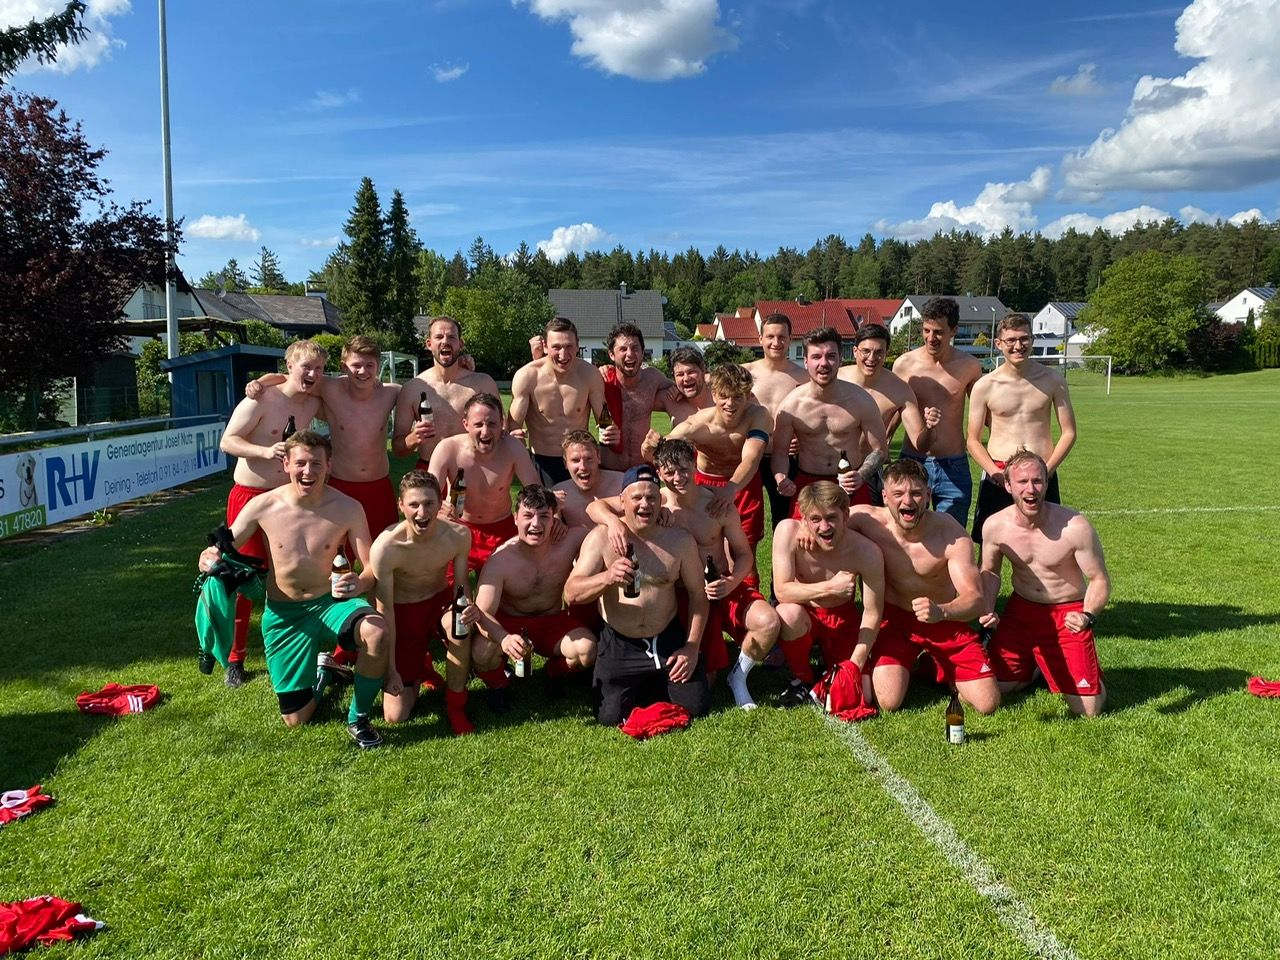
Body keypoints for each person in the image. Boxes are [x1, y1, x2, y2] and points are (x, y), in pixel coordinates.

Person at [197, 431, 389, 748]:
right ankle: (324, 672)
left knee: (377, 632)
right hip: (284, 614)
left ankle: (359, 719)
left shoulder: (348, 507)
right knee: (296, 719)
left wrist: (360, 581)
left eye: (316, 463)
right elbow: (225, 545)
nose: (308, 471)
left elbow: (370, 568)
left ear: (329, 466)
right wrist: (208, 556)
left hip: (331, 604)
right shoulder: (262, 505)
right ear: (286, 464)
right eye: (300, 463)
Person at [847, 459, 999, 714]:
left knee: (987, 704)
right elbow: (824, 521)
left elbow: (975, 599)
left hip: (943, 621)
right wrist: (804, 530)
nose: (908, 501)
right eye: (898, 494)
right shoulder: (866, 520)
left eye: (916, 493)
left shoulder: (950, 534)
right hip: (894, 622)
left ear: (928, 495)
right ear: (884, 496)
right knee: (889, 701)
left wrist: (942, 611)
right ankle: (925, 664)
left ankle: (932, 664)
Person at [216, 339, 325, 688]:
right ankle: (235, 658)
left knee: (286, 571)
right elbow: (228, 440)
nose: (312, 374)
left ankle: (295, 641)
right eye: (306, 367)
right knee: (243, 576)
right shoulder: (261, 398)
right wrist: (265, 451)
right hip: (249, 495)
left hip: (286, 499)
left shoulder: (313, 401)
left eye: (318, 368)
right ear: (289, 366)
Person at [565, 464, 709, 726]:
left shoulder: (679, 541)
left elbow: (698, 595)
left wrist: (692, 647)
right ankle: (640, 682)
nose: (645, 504)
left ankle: (650, 681)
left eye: (652, 497)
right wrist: (607, 577)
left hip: (666, 637)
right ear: (622, 501)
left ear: (660, 501)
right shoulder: (602, 538)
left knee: (695, 706)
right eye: (637, 498)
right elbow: (571, 593)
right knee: (609, 717)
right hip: (620, 641)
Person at [650, 439, 780, 708]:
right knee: (705, 681)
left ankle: (738, 677)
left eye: (684, 469)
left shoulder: (717, 504)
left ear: (695, 464)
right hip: (684, 594)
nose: (678, 478)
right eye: (670, 472)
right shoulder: (654, 505)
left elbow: (744, 554)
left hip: (721, 583)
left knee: (768, 623)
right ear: (659, 472)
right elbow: (602, 506)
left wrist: (731, 582)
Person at [978, 451, 1109, 716]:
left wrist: (1087, 616)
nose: (1031, 489)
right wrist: (987, 609)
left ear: (1047, 484)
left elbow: (1099, 579)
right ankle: (1039, 665)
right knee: (994, 687)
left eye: (1037, 481)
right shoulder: (995, 526)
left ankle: (1077, 666)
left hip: (1067, 613)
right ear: (1008, 486)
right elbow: (990, 572)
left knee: (1088, 710)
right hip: (1021, 611)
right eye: (1022, 482)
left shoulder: (1074, 526)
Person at [248, 334, 403, 542]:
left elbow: (417, 390)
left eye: (369, 365)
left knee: (384, 550)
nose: (363, 371)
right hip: (341, 485)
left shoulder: (391, 393)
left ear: (378, 366)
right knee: (338, 551)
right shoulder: (329, 387)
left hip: (379, 486)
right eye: (356, 365)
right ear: (344, 366)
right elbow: (286, 378)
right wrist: (259, 382)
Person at [369, 471, 477, 735]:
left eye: (429, 503)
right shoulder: (386, 547)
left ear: (440, 503)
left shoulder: (457, 535)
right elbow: (385, 612)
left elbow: (461, 587)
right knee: (395, 716)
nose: (422, 512)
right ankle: (420, 668)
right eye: (414, 504)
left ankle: (456, 705)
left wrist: (466, 610)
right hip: (402, 614)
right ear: (401, 505)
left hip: (439, 603)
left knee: (459, 627)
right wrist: (391, 672)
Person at [473, 485, 596, 696]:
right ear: (515, 519)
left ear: (554, 518)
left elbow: (603, 537)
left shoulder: (570, 540)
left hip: (553, 621)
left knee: (587, 650)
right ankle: (499, 684)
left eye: (544, 516)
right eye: (528, 516)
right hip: (510, 623)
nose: (536, 524)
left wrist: (613, 521)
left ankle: (553, 672)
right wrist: (504, 638)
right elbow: (482, 612)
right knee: (481, 652)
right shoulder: (500, 560)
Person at [967, 313, 1077, 544]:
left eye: (1024, 339)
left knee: (1048, 545)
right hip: (998, 473)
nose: (1018, 346)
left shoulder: (1053, 380)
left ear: (1032, 340)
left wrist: (1047, 471)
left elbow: (1069, 432)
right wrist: (996, 474)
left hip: (1041, 473)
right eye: (1011, 340)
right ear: (998, 344)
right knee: (990, 546)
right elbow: (973, 440)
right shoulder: (985, 386)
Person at [772, 481, 884, 707]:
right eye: (815, 519)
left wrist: (855, 664)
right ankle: (802, 678)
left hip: (843, 618)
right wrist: (830, 588)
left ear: (846, 515)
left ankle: (833, 669)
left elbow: (873, 612)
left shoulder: (866, 551)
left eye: (831, 517)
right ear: (804, 519)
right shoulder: (788, 532)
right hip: (806, 612)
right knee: (788, 614)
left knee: (864, 694)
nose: (824, 527)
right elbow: (782, 591)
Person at [641, 362, 771, 547]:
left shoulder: (758, 415)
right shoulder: (698, 425)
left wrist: (731, 488)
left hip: (744, 483)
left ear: (748, 395)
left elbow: (752, 457)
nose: (730, 404)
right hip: (705, 485)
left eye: (737, 397)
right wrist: (648, 446)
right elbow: (654, 454)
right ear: (714, 394)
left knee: (745, 547)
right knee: (705, 544)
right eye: (724, 396)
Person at [772, 327, 887, 513]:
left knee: (857, 531)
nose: (824, 363)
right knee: (801, 532)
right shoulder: (791, 406)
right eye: (816, 357)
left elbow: (880, 450)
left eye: (831, 356)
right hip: (808, 485)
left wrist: (861, 475)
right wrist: (781, 478)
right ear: (806, 361)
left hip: (851, 483)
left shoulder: (861, 401)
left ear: (840, 359)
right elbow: (779, 453)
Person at [891, 297, 983, 526]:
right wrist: (883, 442)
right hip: (913, 461)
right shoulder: (904, 365)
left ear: (954, 330)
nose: (931, 338)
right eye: (926, 330)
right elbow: (893, 411)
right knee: (906, 534)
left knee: (952, 533)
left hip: (953, 464)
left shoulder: (969, 366)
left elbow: (987, 413)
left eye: (939, 332)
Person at [427, 392, 542, 574]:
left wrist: (552, 515)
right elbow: (427, 494)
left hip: (501, 530)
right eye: (478, 424)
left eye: (492, 424)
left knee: (509, 588)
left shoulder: (512, 448)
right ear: (466, 424)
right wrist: (439, 510)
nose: (485, 431)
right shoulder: (448, 449)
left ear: (502, 424)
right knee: (452, 589)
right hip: (459, 527)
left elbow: (535, 490)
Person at [507, 317, 618, 487]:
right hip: (542, 462)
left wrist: (610, 431)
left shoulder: (589, 374)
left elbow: (603, 418)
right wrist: (518, 446)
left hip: (579, 461)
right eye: (556, 347)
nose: (563, 355)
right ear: (545, 346)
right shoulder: (527, 376)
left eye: (568, 347)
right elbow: (513, 429)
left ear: (577, 345)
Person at [838, 324, 940, 505]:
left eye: (879, 352)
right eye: (866, 351)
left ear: (886, 354)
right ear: (855, 351)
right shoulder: (837, 379)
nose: (872, 358)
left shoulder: (899, 390)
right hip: (828, 468)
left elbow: (920, 444)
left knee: (866, 521)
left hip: (867, 472)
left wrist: (930, 428)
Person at [393, 315, 500, 470]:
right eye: (439, 337)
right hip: (428, 470)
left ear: (460, 344)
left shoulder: (482, 383)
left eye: (451, 337)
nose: (445, 341)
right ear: (429, 344)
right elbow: (398, 449)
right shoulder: (412, 389)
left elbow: (501, 431)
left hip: (472, 470)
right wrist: (413, 439)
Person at [745, 313, 807, 528]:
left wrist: (802, 439)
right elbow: (710, 386)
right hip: (750, 456)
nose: (776, 342)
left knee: (785, 519)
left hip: (787, 458)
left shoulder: (803, 377)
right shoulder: (745, 373)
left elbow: (815, 413)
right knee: (746, 521)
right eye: (770, 336)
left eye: (782, 337)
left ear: (790, 339)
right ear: (760, 339)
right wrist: (673, 391)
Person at [597, 322, 675, 470]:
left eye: (635, 348)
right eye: (623, 349)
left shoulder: (653, 378)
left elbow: (683, 389)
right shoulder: (601, 380)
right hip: (609, 469)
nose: (630, 354)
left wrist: (676, 390)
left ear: (642, 352)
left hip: (642, 468)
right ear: (611, 355)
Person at [552, 430, 625, 529]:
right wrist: (555, 520)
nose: (583, 467)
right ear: (565, 463)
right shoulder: (559, 494)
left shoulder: (621, 483)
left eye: (589, 459)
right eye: (575, 460)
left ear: (598, 457)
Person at [666, 346, 713, 426]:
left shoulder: (721, 397)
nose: (686, 378)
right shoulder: (669, 398)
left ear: (703, 370)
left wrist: (714, 377)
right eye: (680, 374)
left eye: (691, 372)